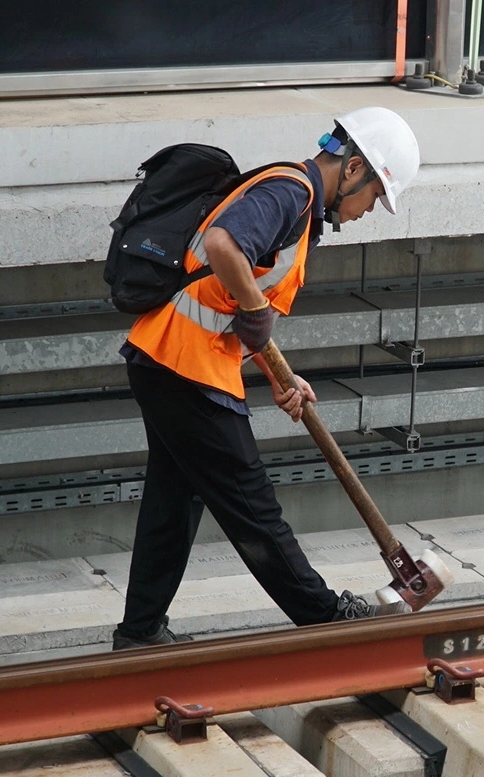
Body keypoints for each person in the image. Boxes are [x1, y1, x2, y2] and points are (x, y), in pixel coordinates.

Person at [111, 107, 421, 649]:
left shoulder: (297, 206)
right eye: (374, 197)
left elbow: (228, 303)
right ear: (352, 171)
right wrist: (257, 318)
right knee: (253, 508)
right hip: (185, 370)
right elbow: (223, 246)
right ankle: (325, 621)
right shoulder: (291, 193)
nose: (368, 211)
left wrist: (282, 375)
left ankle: (138, 635)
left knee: (173, 504)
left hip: (169, 361)